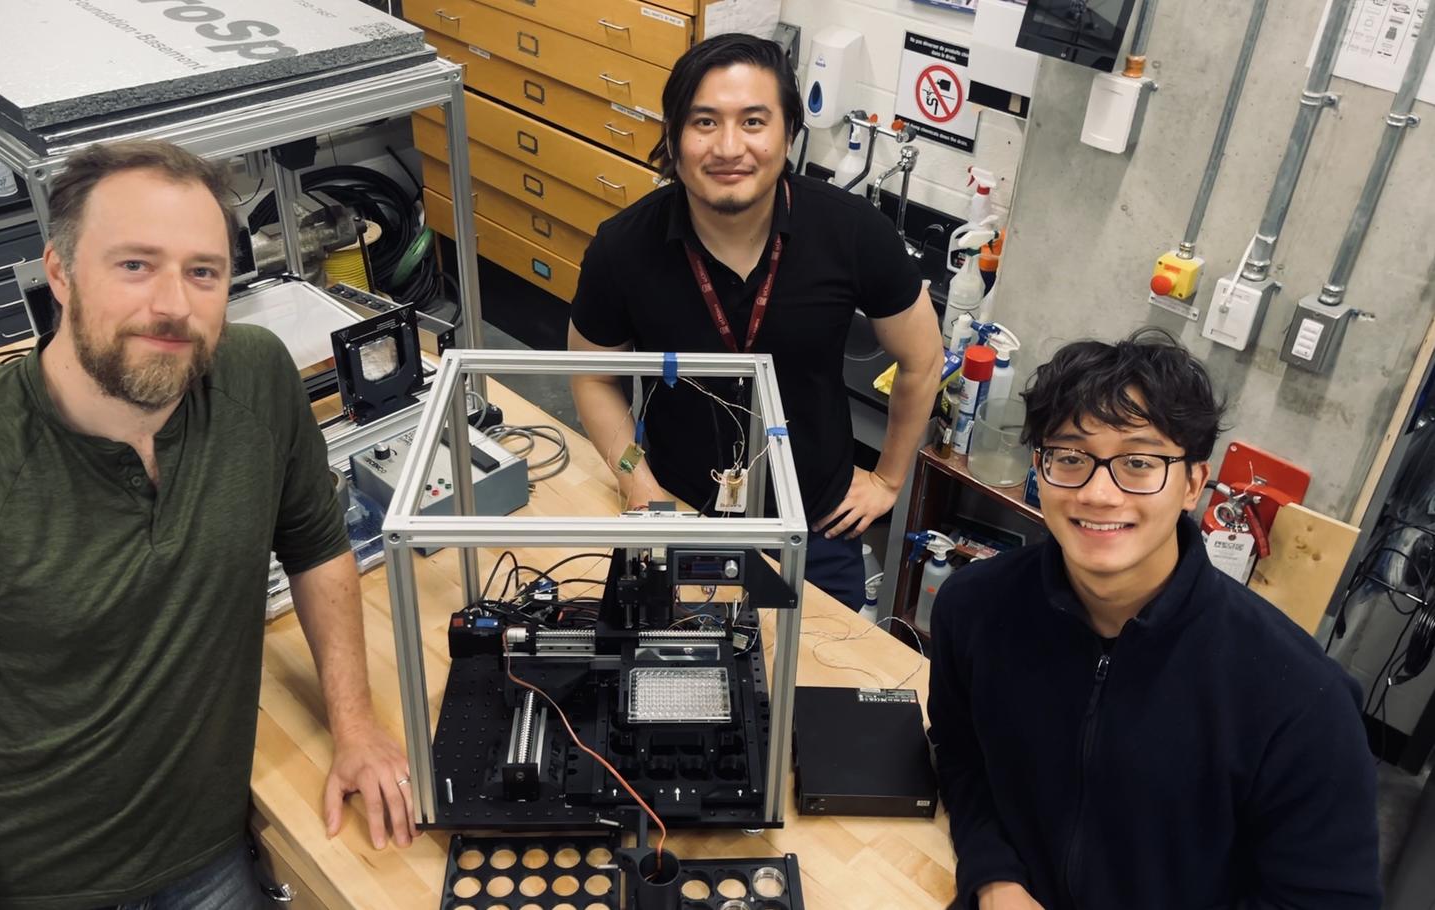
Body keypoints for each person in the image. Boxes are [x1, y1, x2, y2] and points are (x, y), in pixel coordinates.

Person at [0, 141, 415, 910]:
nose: (173, 303)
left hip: (210, 853)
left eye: (203, 271)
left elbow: (317, 549)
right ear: (60, 273)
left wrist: (356, 724)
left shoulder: (256, 374)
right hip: (40, 883)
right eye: (135, 265)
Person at [927, 329, 1381, 910]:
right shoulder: (974, 608)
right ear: (1040, 470)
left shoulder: (1302, 701)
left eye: (1139, 462)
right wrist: (995, 878)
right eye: (1070, 457)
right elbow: (962, 757)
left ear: (1193, 483)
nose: (1099, 493)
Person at [567, 33, 944, 609]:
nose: (728, 147)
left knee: (819, 675)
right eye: (704, 122)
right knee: (664, 678)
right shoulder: (623, 248)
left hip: (817, 519)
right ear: (672, 135)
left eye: (753, 122)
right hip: (678, 508)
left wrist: (889, 479)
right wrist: (639, 489)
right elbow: (592, 375)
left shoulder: (853, 231)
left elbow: (922, 360)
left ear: (788, 134)